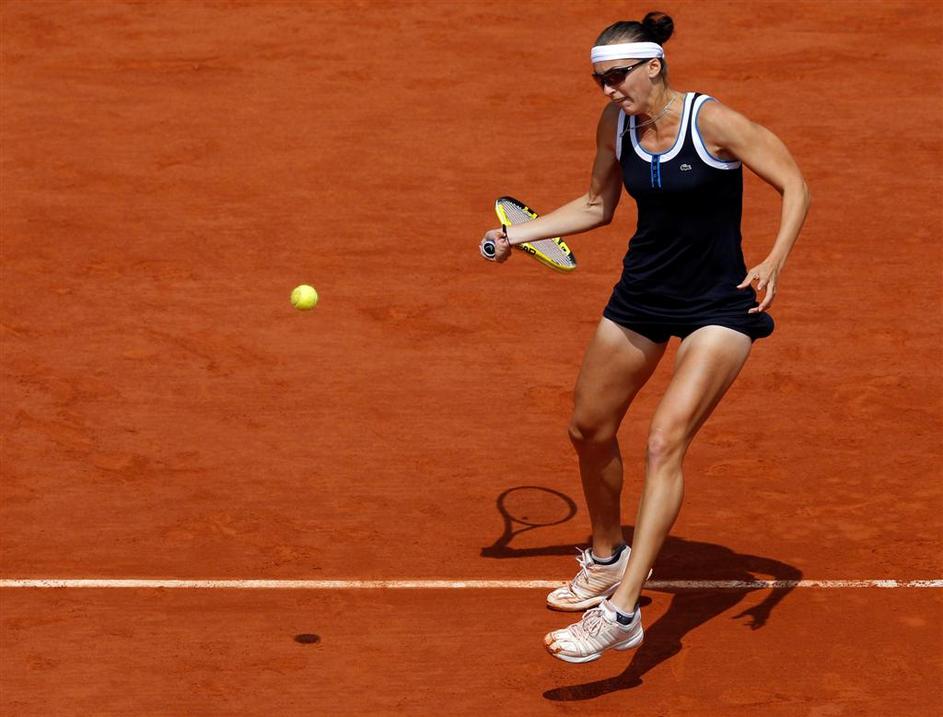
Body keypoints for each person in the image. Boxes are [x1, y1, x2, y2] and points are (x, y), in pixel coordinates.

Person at [480, 11, 810, 664]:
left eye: (617, 76)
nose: (608, 89)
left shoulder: (712, 122)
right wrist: (516, 235)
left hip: (720, 303)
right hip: (644, 295)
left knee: (664, 440)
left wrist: (774, 259)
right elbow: (597, 205)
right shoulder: (615, 124)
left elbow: (794, 182)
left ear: (653, 66)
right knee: (588, 427)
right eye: (598, 80)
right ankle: (607, 557)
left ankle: (622, 612)